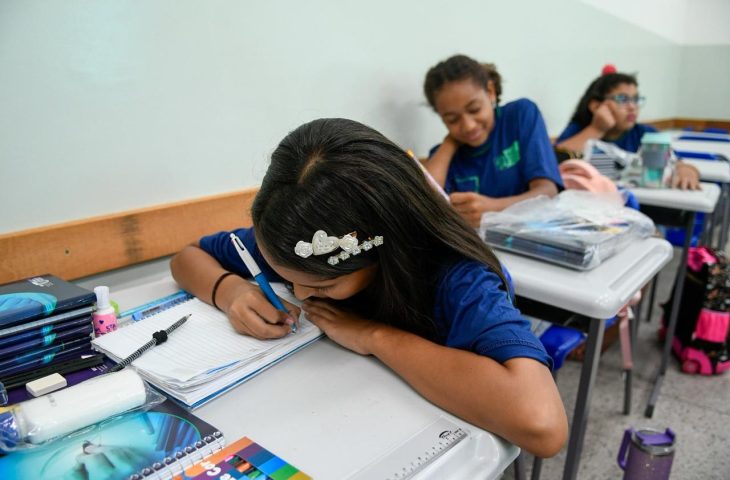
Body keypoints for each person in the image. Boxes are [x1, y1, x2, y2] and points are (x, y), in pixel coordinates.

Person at [170, 118, 568, 457]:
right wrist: (231, 292)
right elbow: (187, 257)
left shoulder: (458, 278)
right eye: (289, 280)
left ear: (384, 251)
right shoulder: (299, 243)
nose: (301, 296)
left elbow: (544, 426)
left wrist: (374, 337)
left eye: (324, 285)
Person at [423, 54, 563, 227]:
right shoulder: (443, 156)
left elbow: (548, 192)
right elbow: (425, 203)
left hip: (532, 231)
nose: (468, 126)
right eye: (452, 119)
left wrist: (492, 209)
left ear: (490, 92)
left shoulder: (519, 116)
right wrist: (449, 143)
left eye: (474, 109)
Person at [555, 68, 700, 190]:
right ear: (596, 106)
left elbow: (678, 163)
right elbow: (555, 160)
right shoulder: (579, 130)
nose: (632, 107)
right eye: (622, 99)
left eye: (636, 99)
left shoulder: (645, 134)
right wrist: (596, 129)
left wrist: (686, 170)